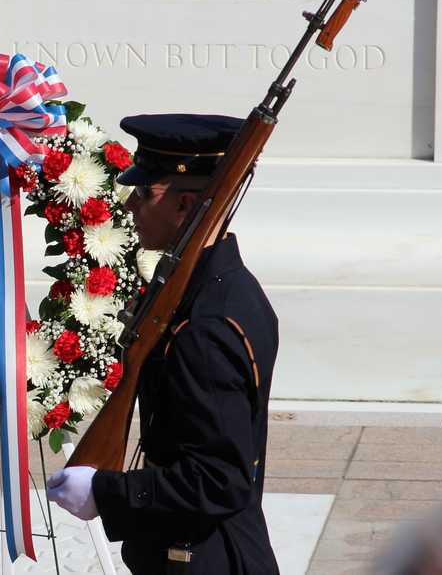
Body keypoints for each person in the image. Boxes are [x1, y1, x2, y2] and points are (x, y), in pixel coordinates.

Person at [46, 113, 281, 574]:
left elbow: (220, 480)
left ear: (185, 205)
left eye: (145, 192)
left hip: (204, 559)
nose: (131, 206)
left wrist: (108, 493)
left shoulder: (205, 328)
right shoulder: (217, 287)